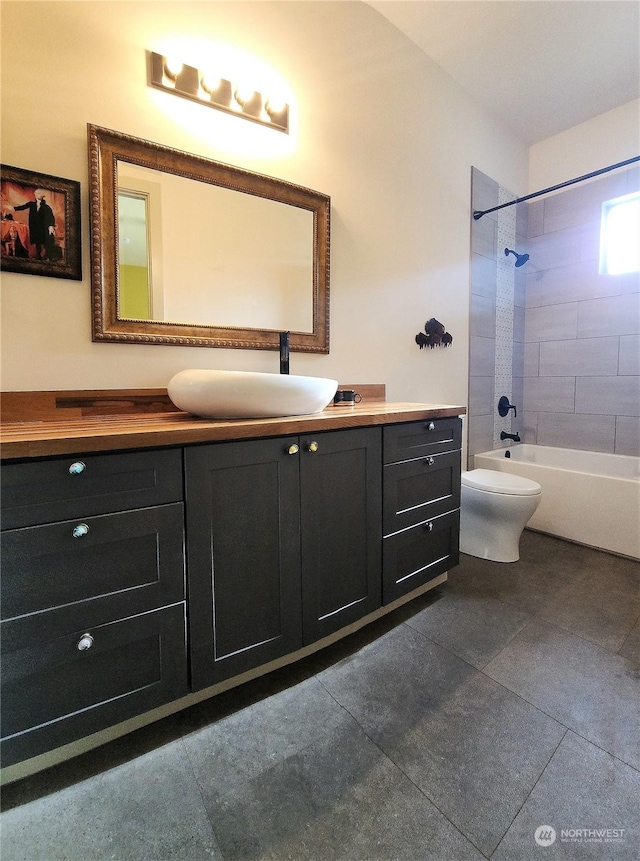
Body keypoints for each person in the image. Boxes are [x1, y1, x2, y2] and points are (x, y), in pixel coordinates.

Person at [13, 188, 56, 260]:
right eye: (36, 193)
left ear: (42, 195)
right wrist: (13, 208)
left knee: (45, 241)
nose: (36, 195)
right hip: (35, 226)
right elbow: (23, 207)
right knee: (37, 241)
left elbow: (51, 217)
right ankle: (38, 256)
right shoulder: (31, 204)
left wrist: (51, 226)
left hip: (43, 227)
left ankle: (48, 256)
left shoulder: (46, 207)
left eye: (38, 193)